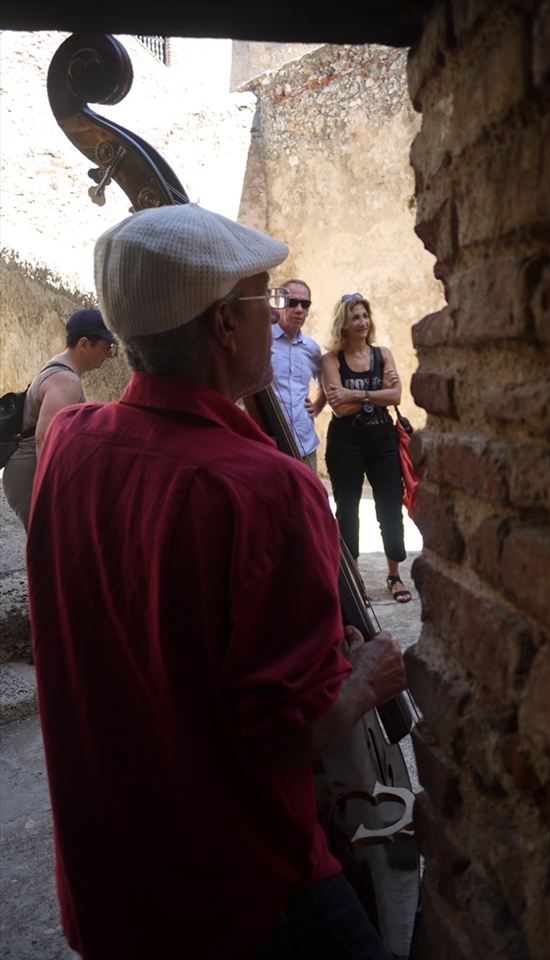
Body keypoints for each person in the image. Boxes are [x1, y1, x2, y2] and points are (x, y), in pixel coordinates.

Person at [26, 203, 407, 960]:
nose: (275, 319)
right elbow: (285, 736)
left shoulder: (67, 446)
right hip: (245, 896)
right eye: (264, 301)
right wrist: (365, 676)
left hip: (112, 887)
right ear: (222, 326)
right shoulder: (265, 490)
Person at [321, 293, 411, 602]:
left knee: (389, 506)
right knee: (347, 510)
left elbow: (396, 396)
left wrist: (355, 393)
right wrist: (378, 392)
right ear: (343, 323)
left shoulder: (382, 354)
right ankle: (354, 577)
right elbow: (339, 409)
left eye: (365, 316)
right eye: (355, 317)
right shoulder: (331, 359)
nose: (362, 322)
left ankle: (395, 576)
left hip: (383, 439)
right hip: (346, 442)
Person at [1, 307, 118, 531]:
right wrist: (56, 493)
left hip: (29, 474)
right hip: (32, 477)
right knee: (49, 557)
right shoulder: (65, 380)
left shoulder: (58, 366)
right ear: (84, 344)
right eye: (106, 347)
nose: (110, 355)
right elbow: (45, 439)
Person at [270, 278, 325, 470]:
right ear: (279, 304)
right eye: (293, 303)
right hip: (270, 445)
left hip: (305, 445)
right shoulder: (262, 341)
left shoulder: (312, 348)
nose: (299, 309)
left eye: (305, 304)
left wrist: (318, 406)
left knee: (308, 500)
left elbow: (326, 382)